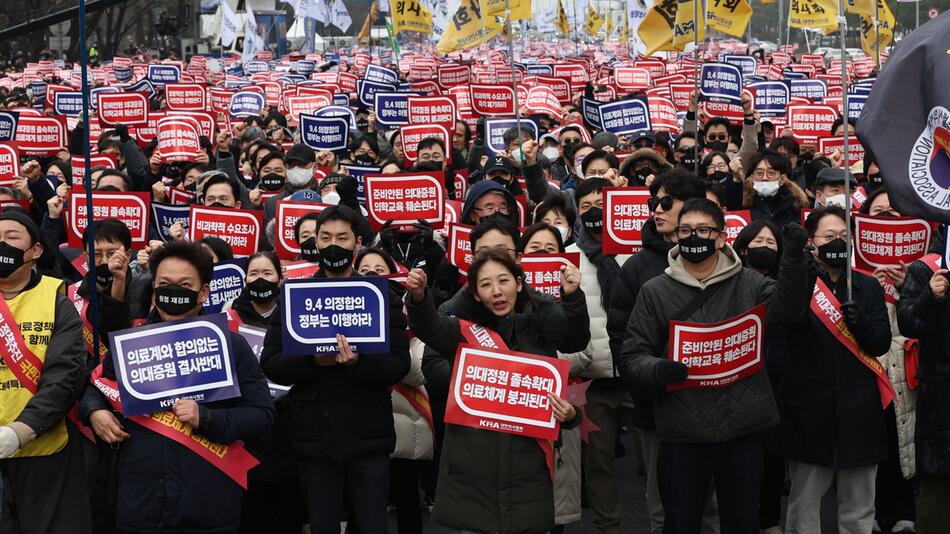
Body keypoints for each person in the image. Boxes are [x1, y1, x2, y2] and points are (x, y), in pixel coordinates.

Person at [620, 199, 810, 534]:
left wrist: (794, 259)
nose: (694, 237)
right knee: (680, 523)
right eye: (686, 230)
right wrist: (657, 369)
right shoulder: (654, 291)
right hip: (682, 432)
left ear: (721, 238)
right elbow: (633, 355)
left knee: (742, 521)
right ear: (676, 236)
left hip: (742, 429)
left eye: (704, 230)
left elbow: (789, 313)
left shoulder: (749, 283)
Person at [78, 239, 275, 533]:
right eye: (165, 284)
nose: (174, 291)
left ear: (204, 291)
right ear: (154, 290)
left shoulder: (231, 345)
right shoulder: (134, 342)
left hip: (209, 505)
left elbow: (262, 415)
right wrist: (95, 412)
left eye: (184, 284)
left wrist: (207, 418)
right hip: (140, 501)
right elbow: (97, 387)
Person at [404, 249, 590, 533]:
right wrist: (419, 298)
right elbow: (430, 327)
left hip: (528, 472)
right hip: (472, 473)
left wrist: (573, 296)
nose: (497, 291)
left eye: (503, 281)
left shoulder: (541, 329)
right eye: (486, 284)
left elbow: (575, 339)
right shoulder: (463, 332)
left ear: (518, 283)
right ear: (475, 294)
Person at [260, 205, 411, 534]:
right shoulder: (293, 296)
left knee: (372, 525)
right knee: (323, 525)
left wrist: (359, 363)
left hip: (369, 434)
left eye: (342, 238)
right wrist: (312, 361)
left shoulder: (381, 296)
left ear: (357, 244)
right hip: (314, 435)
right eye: (325, 237)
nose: (333, 245)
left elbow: (399, 363)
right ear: (314, 241)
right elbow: (270, 363)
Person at [606, 170, 711, 534]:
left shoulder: (724, 262)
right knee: (662, 508)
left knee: (711, 508)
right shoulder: (636, 268)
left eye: (667, 202)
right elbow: (619, 336)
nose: (657, 209)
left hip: (716, 404)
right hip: (658, 408)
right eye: (654, 203)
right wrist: (646, 387)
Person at [780, 206, 892, 534]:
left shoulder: (867, 287)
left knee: (858, 507)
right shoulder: (799, 281)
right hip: (809, 409)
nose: (838, 242)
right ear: (812, 242)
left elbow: (881, 342)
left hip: (859, 411)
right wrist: (792, 261)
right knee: (805, 506)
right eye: (830, 236)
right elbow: (785, 320)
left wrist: (863, 325)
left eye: (844, 236)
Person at [0, 210, 90, 534]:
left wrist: (21, 430)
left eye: (12, 238)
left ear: (35, 250)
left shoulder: (57, 298)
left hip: (45, 450)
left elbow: (66, 374)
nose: (2, 245)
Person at [561, 177, 635, 534]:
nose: (595, 212)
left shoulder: (635, 251)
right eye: (586, 206)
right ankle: (609, 527)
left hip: (638, 373)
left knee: (662, 458)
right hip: (592, 381)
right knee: (599, 463)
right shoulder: (569, 258)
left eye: (602, 203)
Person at [354, 247, 434, 534]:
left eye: (379, 270)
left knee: (407, 501)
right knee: (363, 507)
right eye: (365, 271)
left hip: (405, 422)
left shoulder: (408, 312)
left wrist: (387, 342)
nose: (373, 275)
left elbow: (420, 371)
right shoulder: (343, 314)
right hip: (362, 424)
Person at [897, 238, 950, 533]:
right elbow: (908, 323)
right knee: (937, 507)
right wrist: (931, 296)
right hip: (941, 407)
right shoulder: (926, 269)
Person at [745, 151, 807, 228]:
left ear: (782, 179)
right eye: (759, 173)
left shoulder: (795, 204)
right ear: (752, 177)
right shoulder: (745, 204)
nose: (764, 178)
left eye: (771, 173)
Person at [225, 251, 282, 328]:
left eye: (267, 273)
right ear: (245, 280)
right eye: (253, 274)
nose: (260, 278)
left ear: (279, 280)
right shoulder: (230, 318)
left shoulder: (291, 314)